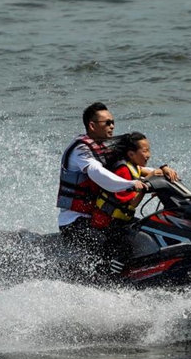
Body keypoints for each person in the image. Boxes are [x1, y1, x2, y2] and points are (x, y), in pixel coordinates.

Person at [56, 102, 178, 254]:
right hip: (75, 221)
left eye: (113, 122)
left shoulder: (104, 146)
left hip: (101, 217)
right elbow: (97, 172)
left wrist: (162, 170)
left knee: (145, 231)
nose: (112, 126)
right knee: (108, 247)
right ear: (92, 126)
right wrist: (132, 184)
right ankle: (104, 277)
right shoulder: (80, 150)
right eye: (107, 123)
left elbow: (133, 167)